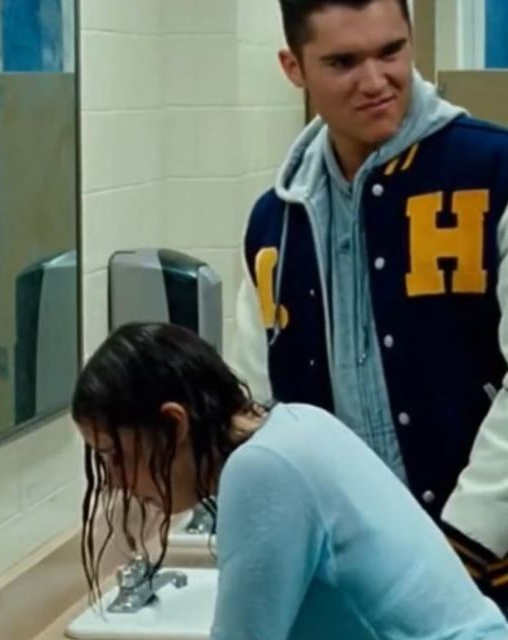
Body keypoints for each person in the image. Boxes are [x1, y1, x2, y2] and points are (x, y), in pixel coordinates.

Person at [231, 0, 508, 603]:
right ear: (293, 67)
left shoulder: (493, 173)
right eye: (343, 62)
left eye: (391, 52)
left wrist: (466, 542)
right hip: (343, 579)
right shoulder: (274, 223)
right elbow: (255, 406)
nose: (376, 81)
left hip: (487, 566)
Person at [73, 322, 508, 639]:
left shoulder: (260, 470)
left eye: (113, 457)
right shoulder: (297, 423)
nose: (117, 482)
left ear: (174, 424)